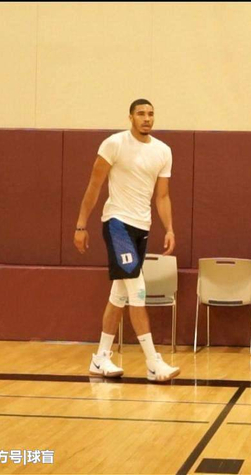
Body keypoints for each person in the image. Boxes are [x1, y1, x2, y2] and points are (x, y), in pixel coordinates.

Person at [74, 98, 180, 383]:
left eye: (151, 114)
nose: (147, 118)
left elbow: (162, 196)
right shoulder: (114, 144)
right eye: (141, 114)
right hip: (117, 223)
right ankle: (153, 362)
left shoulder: (163, 151)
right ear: (130, 117)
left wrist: (169, 228)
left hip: (141, 228)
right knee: (137, 290)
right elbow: (94, 185)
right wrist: (81, 225)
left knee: (119, 294)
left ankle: (100, 358)